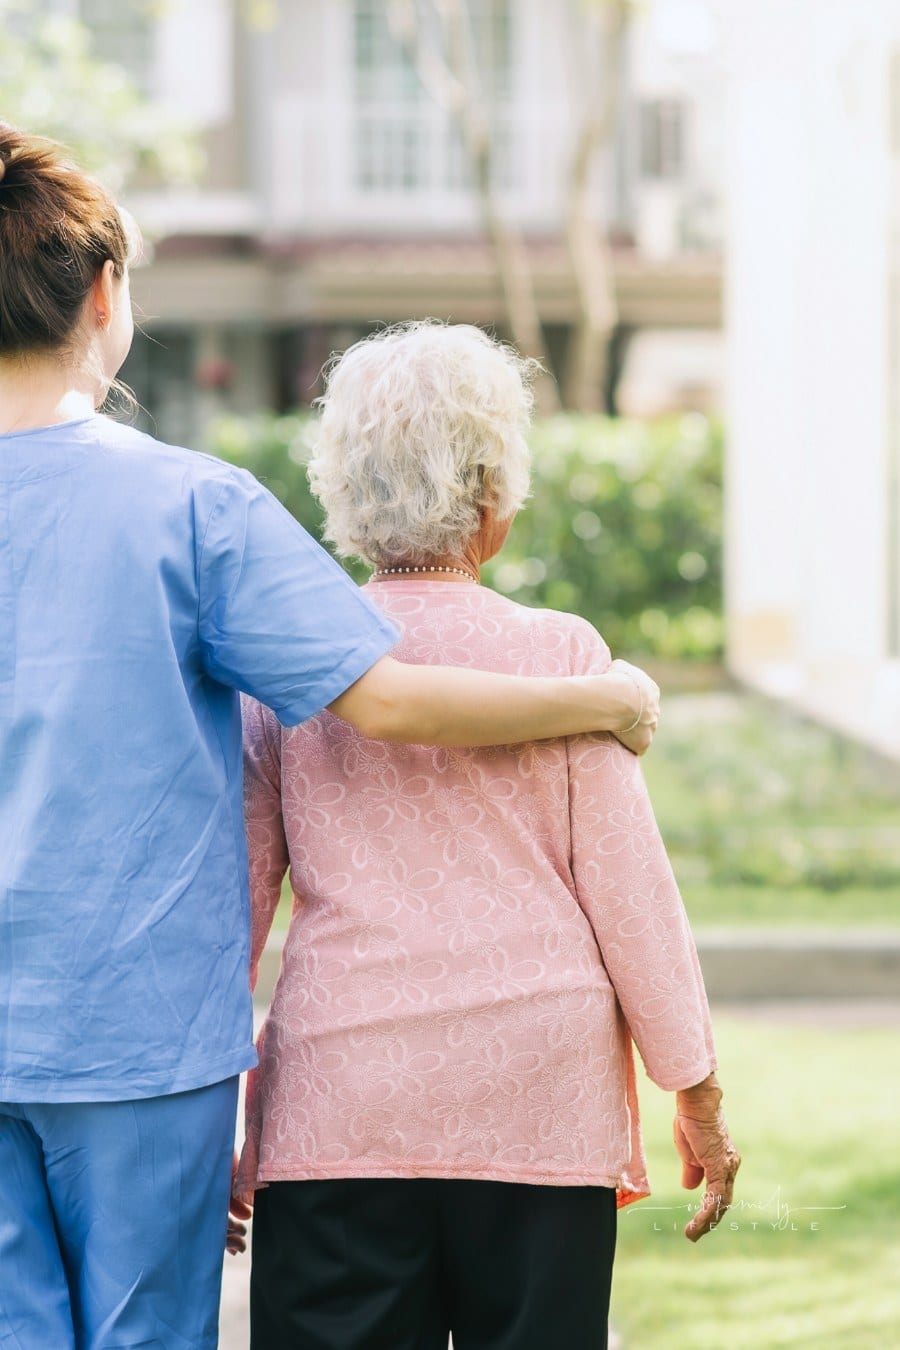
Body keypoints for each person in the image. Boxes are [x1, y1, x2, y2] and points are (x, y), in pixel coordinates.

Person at [0, 127, 661, 1350]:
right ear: (105, 294)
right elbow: (388, 698)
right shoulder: (189, 506)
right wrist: (600, 699)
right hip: (138, 1042)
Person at [236, 321, 741, 1350]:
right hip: (536, 1106)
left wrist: (214, 1123)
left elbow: (229, 911)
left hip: (341, 1108)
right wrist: (697, 1094)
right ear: (489, 491)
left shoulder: (290, 669)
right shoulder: (563, 658)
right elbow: (631, 901)